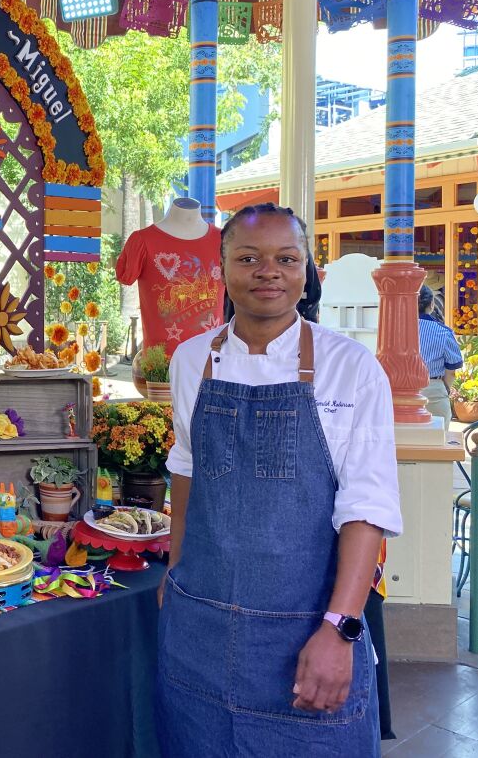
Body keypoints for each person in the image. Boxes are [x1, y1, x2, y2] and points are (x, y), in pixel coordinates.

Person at [156, 203, 402, 757]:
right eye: (248, 258)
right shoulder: (192, 359)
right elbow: (186, 467)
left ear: (308, 270)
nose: (268, 271)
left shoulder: (352, 366)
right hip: (201, 630)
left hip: (307, 630)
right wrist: (176, 567)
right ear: (223, 269)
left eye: (286, 259)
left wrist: (340, 628)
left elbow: (369, 506)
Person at [418, 285, 463, 423]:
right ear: (432, 305)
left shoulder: (395, 329)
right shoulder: (443, 332)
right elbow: (451, 371)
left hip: (399, 391)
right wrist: (444, 388)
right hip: (433, 389)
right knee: (439, 439)